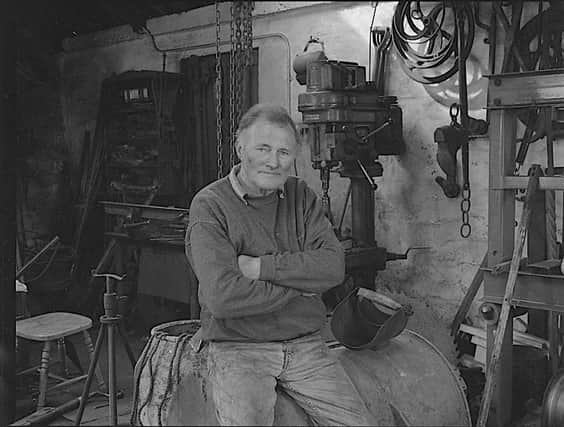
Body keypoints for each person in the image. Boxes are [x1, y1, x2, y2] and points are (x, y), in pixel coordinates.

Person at [185, 103, 373, 426]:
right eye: (263, 148)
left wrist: (260, 269)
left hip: (305, 345)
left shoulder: (301, 195)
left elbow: (332, 267)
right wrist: (302, 290)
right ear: (240, 148)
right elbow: (221, 297)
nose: (274, 162)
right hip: (240, 349)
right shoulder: (210, 205)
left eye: (284, 152)